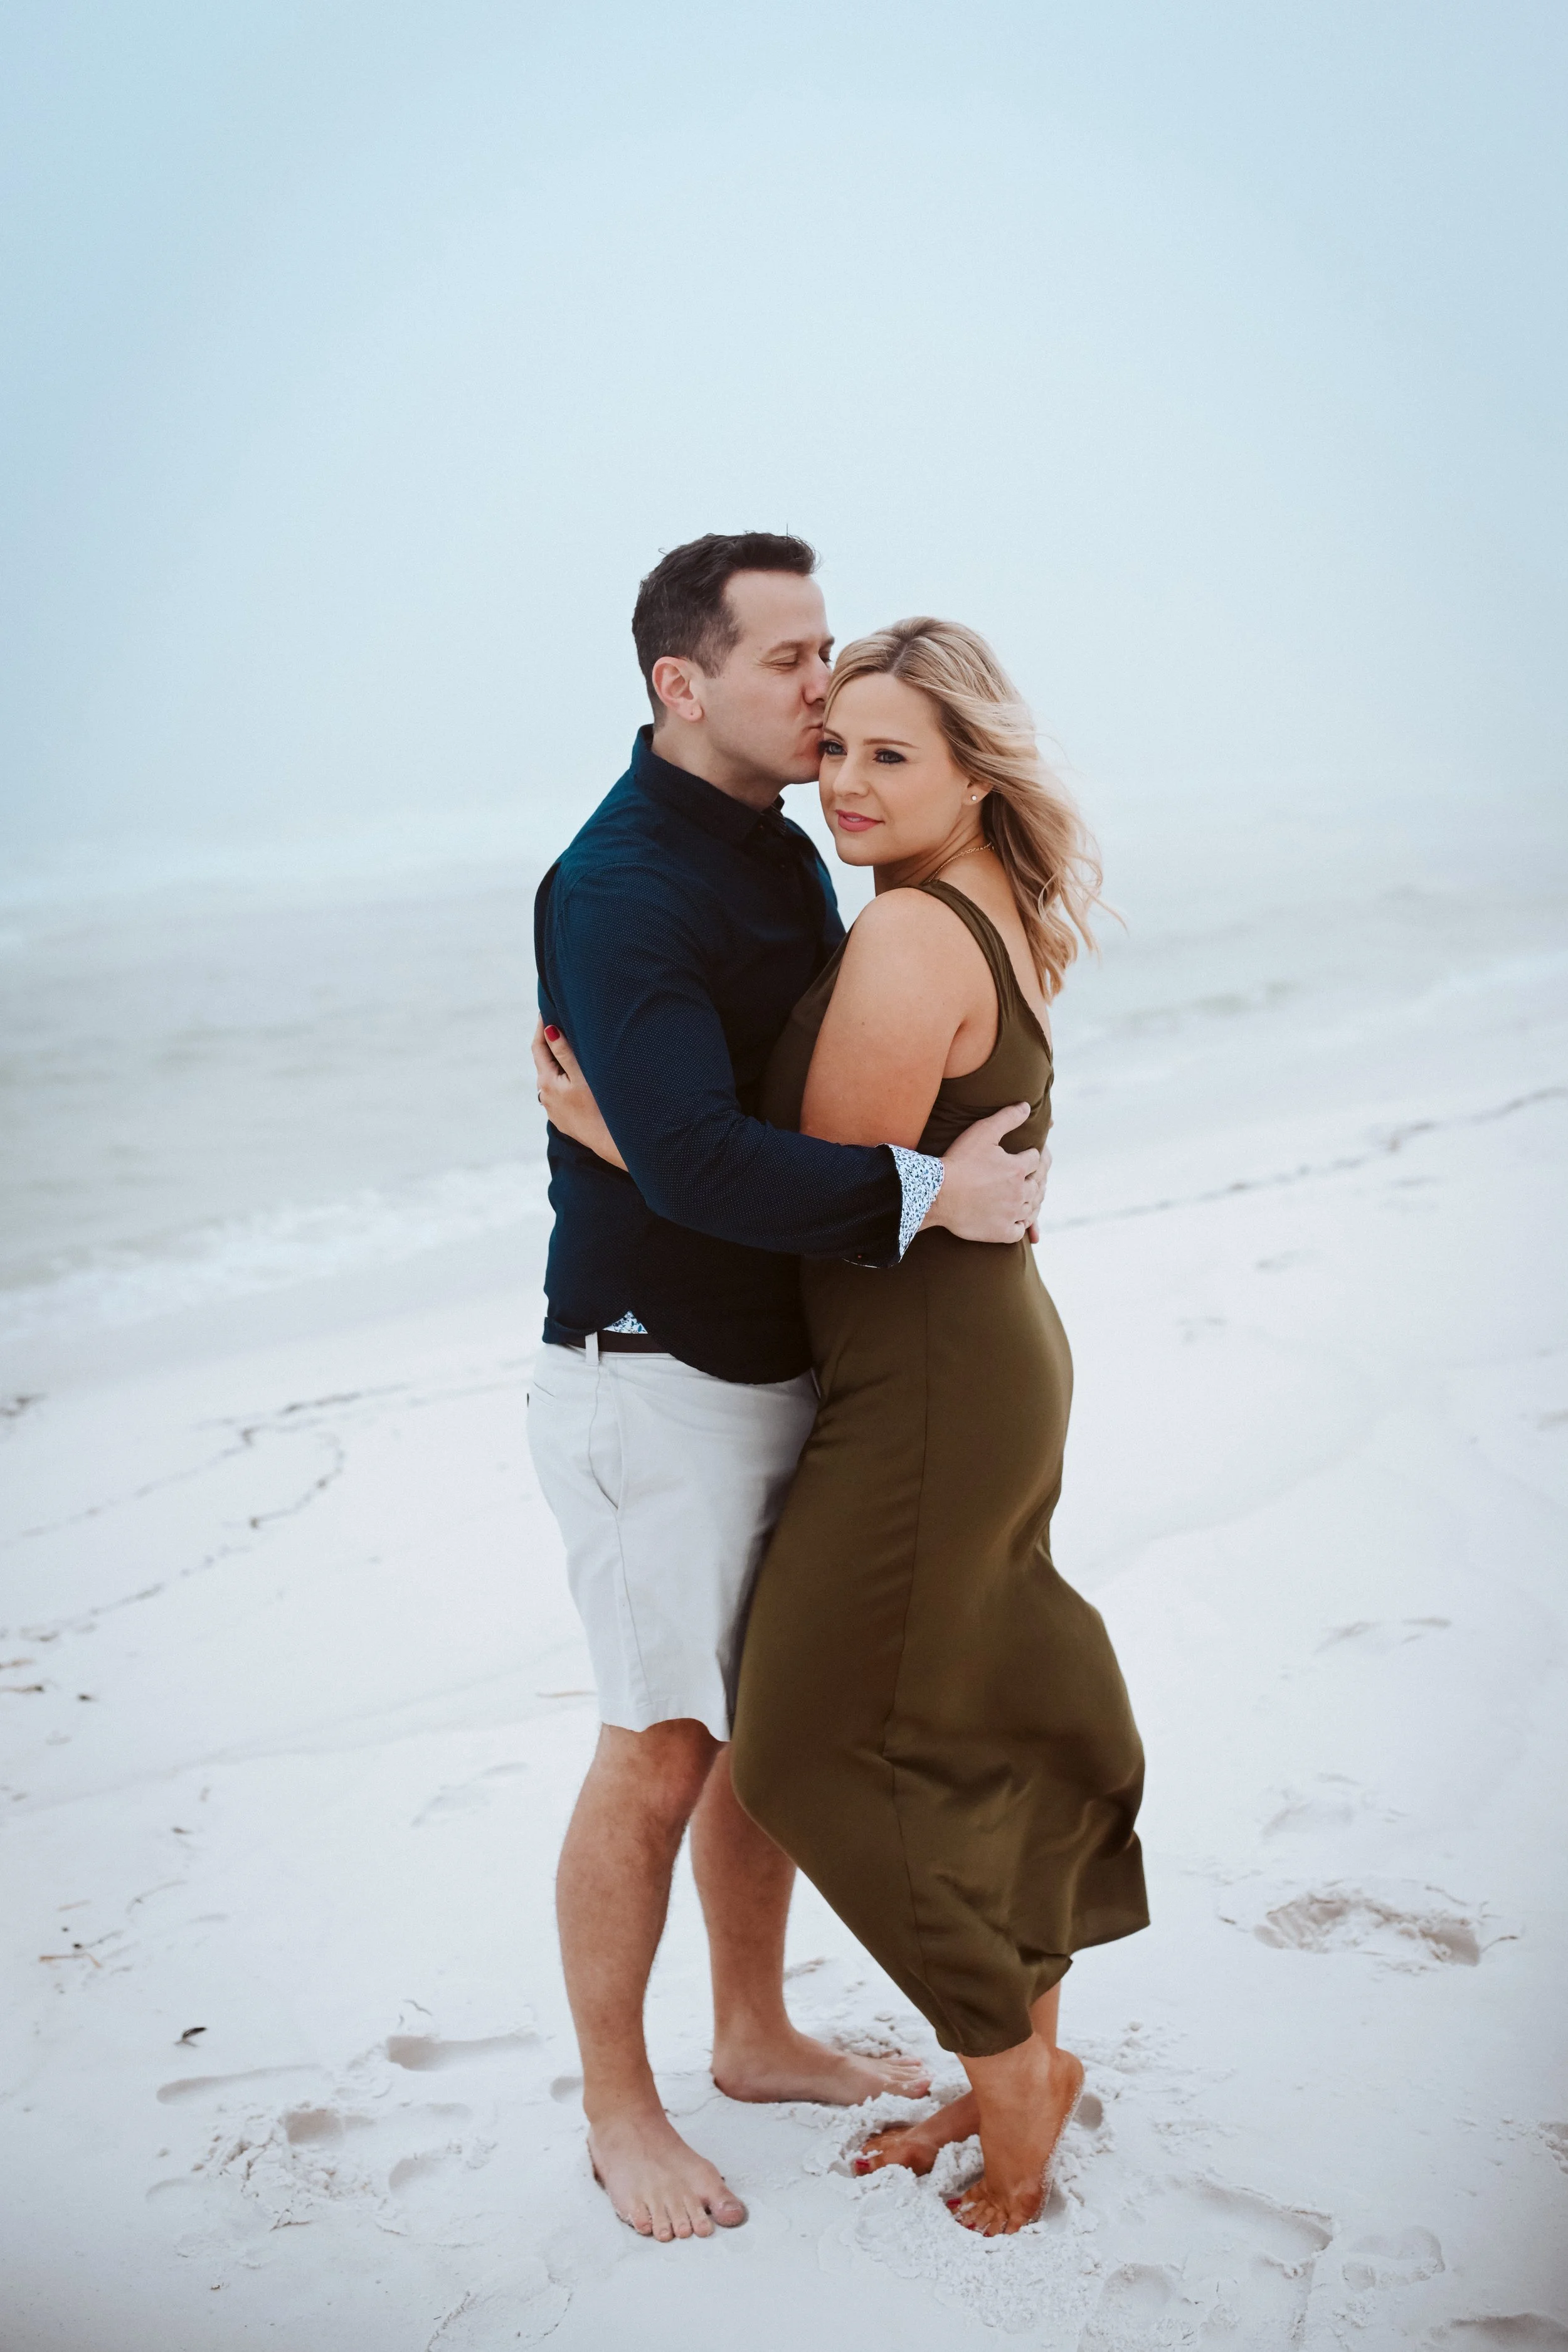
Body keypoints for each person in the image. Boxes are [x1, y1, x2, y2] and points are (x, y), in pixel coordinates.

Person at [548, 615, 1149, 2238]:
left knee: (808, 1744)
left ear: (972, 768)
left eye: (892, 752)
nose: (847, 781)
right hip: (963, 1361)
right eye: (835, 746)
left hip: (925, 1381)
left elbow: (817, 1198)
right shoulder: (966, 902)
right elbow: (862, 1174)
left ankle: (1013, 2075)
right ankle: (1013, 2034)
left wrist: (626, 1134)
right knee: (947, 1704)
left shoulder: (901, 937)